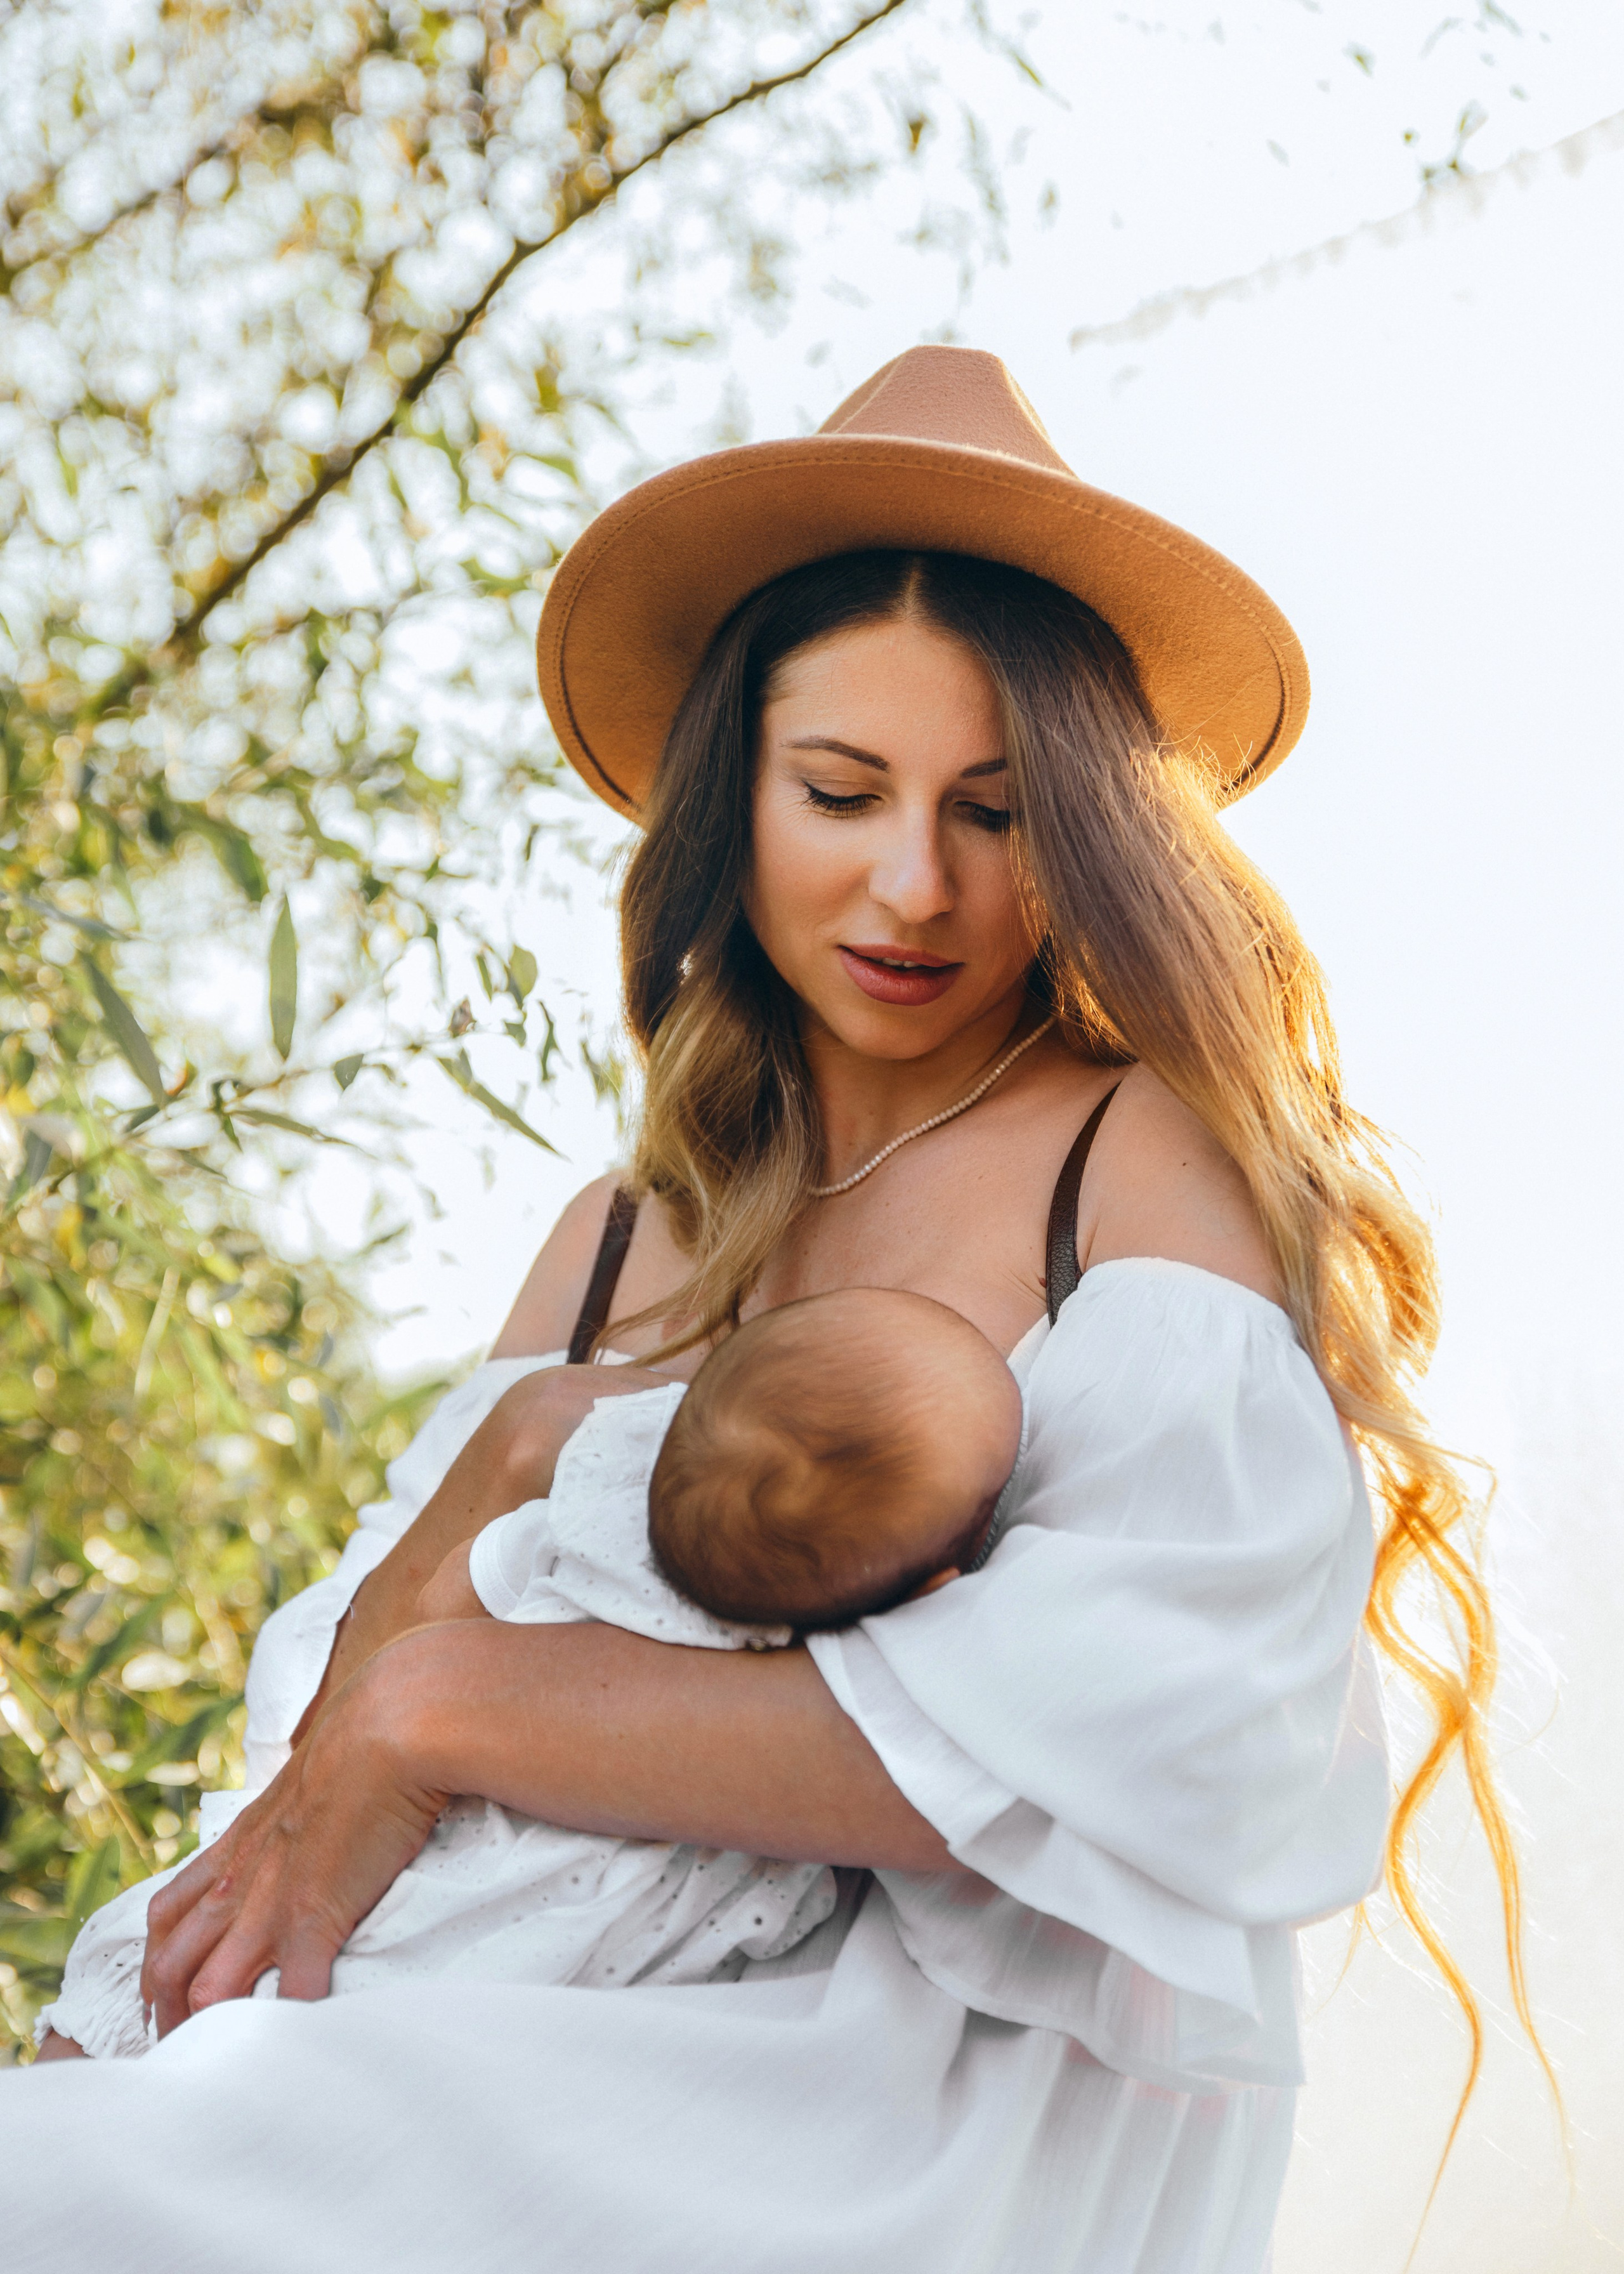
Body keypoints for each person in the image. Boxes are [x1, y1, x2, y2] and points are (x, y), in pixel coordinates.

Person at [4, 345, 1516, 2274]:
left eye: (996, 806)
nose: (914, 883)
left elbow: (1141, 1739)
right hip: (502, 2006)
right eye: (842, 790)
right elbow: (326, 1757)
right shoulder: (618, 1242)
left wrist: (448, 1698)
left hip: (903, 2113)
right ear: (738, 802)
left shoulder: (1130, 1164)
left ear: (1094, 834)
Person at [36, 1289, 1021, 2057]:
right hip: (554, 1955)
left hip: (431, 1854)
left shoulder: (593, 1532)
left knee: (231, 1977)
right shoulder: (816, 1668)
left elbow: (441, 1602)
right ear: (939, 1575)